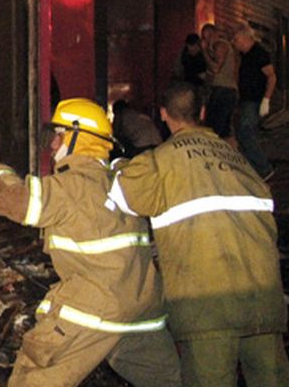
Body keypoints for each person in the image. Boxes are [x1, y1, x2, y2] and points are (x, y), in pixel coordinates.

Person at [0, 99, 180, 387]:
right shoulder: (120, 178)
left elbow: (15, 201)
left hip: (93, 308)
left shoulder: (74, 184)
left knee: (34, 375)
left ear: (78, 137)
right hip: (141, 307)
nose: (52, 146)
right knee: (167, 382)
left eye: (58, 137)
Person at [110, 82, 288, 386]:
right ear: (202, 112)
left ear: (164, 115)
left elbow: (124, 194)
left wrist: (116, 164)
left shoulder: (161, 162)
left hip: (209, 307)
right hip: (263, 301)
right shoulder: (239, 160)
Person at [233, 23, 277, 180]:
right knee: (243, 134)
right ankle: (252, 170)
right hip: (246, 100)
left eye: (237, 39)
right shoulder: (246, 55)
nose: (235, 43)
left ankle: (264, 168)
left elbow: (271, 76)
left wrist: (266, 99)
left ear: (246, 38)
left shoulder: (259, 53)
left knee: (246, 133)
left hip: (254, 100)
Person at [201, 23, 237, 139]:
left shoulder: (220, 45)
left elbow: (216, 68)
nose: (208, 39)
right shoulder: (216, 48)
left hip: (223, 90)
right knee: (224, 130)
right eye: (205, 37)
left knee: (213, 128)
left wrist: (204, 51)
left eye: (209, 35)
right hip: (222, 90)